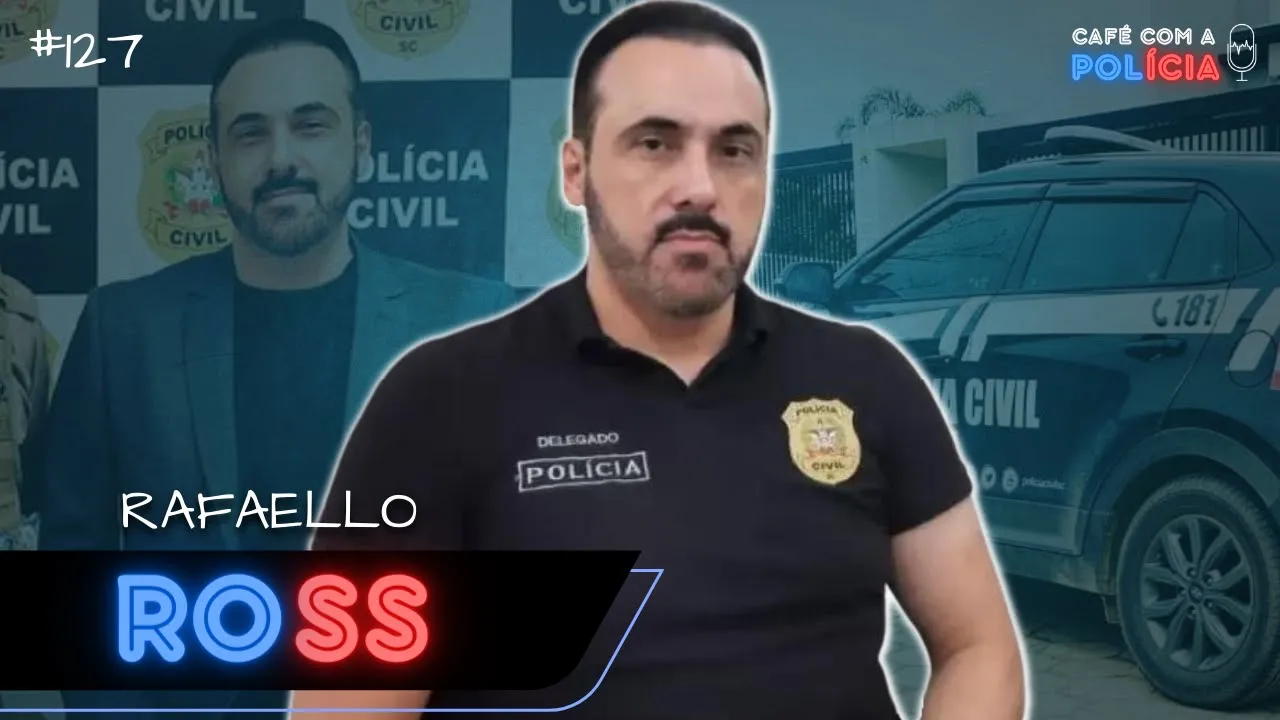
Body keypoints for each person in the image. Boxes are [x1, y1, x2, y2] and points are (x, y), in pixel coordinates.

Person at [294, 2, 1026, 718]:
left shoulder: (867, 378)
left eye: (735, 150)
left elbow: (979, 647)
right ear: (575, 172)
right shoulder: (437, 399)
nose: (701, 188)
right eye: (655, 143)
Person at [37, 18, 517, 718]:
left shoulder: (470, 324)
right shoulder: (124, 328)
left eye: (310, 125)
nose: (280, 158)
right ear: (214, 160)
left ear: (360, 144)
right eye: (250, 133)